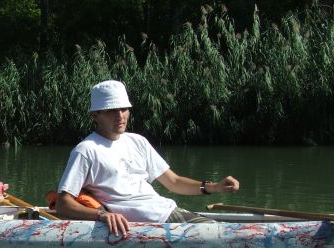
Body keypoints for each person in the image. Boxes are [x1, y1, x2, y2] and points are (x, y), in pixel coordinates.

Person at [55, 80, 240, 236]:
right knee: (226, 235)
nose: (120, 116)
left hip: (165, 212)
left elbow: (174, 182)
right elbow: (63, 205)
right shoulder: (86, 150)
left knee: (227, 233)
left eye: (124, 109)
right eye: (111, 110)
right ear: (95, 115)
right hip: (140, 226)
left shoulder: (138, 142)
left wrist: (214, 187)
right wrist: (100, 215)